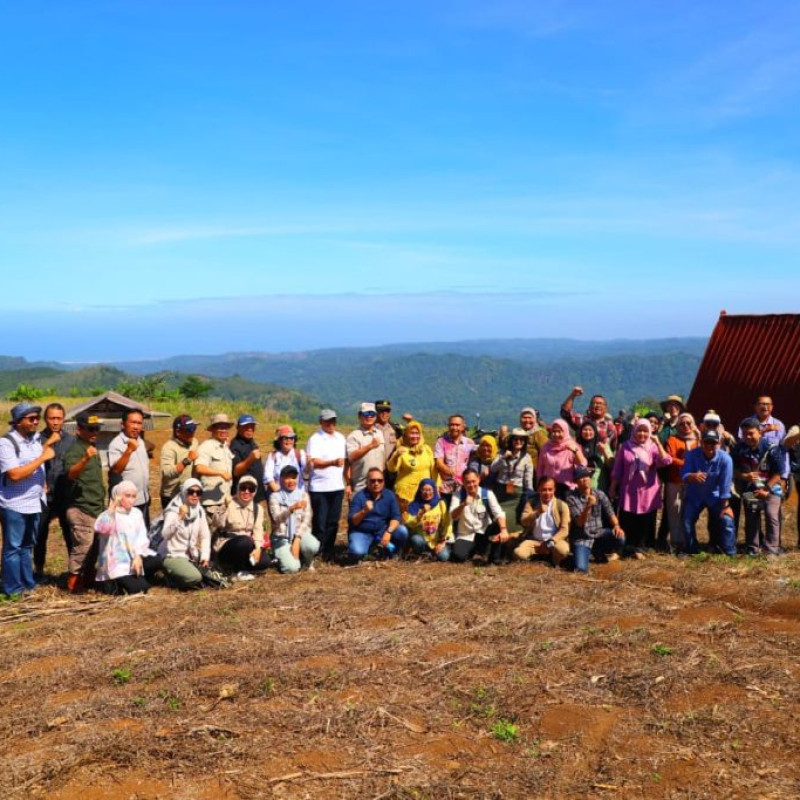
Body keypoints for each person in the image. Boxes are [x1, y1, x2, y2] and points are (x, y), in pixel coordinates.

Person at [0, 403, 54, 596]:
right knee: (13, 548)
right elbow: (14, 474)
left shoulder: (34, 440)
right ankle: (12, 590)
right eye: (31, 419)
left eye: (37, 418)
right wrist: (43, 458)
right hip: (14, 504)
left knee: (26, 546)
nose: (36, 422)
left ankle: (27, 584)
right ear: (18, 422)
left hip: (33, 503)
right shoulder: (6, 443)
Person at [609, 419, 672, 555]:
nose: (642, 434)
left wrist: (658, 443)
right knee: (628, 518)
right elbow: (618, 469)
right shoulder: (625, 446)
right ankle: (627, 545)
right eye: (639, 430)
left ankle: (645, 546)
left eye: (645, 431)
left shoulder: (653, 447)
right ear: (634, 431)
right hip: (629, 489)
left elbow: (666, 461)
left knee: (646, 519)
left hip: (648, 491)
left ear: (650, 432)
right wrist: (613, 487)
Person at [63, 414, 106, 593]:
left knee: (94, 547)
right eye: (90, 429)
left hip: (95, 507)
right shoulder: (76, 450)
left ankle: (88, 576)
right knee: (82, 547)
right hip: (82, 508)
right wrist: (85, 459)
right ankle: (73, 581)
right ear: (79, 430)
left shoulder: (91, 447)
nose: (95, 432)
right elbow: (71, 475)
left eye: (97, 428)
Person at [732, 418, 786, 556]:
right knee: (751, 517)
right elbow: (733, 470)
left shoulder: (771, 448)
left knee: (771, 515)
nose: (748, 437)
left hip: (771, 488)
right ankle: (752, 548)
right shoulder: (739, 449)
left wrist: (766, 490)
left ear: (759, 432)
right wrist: (744, 476)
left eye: (751, 433)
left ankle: (772, 549)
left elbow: (778, 474)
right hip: (750, 488)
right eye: (744, 434)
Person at [34, 402, 75, 578]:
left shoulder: (71, 440)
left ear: (64, 419)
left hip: (65, 496)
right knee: (40, 535)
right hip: (42, 497)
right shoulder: (36, 439)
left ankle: (73, 572)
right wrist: (48, 443)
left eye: (58, 418)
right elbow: (30, 462)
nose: (55, 422)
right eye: (51, 418)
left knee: (70, 534)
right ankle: (39, 570)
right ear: (45, 419)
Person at [93, 480, 155, 595]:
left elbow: (141, 537)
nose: (131, 500)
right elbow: (101, 528)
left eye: (133, 496)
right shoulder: (110, 514)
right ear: (119, 496)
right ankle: (111, 583)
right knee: (136, 589)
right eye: (127, 496)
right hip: (115, 562)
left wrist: (138, 555)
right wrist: (112, 507)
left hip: (131, 560)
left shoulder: (136, 513)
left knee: (143, 588)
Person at [682, 430, 736, 556]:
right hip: (694, 495)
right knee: (687, 521)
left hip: (715, 496)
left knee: (727, 519)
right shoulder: (691, 455)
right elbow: (684, 475)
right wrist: (692, 476)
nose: (710, 446)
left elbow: (726, 484)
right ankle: (691, 549)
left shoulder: (726, 459)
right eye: (707, 442)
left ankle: (729, 551)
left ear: (718, 443)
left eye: (713, 442)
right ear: (701, 442)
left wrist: (726, 506)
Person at [566, 466, 625, 573]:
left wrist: (617, 526)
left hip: (598, 534)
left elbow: (610, 512)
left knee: (620, 537)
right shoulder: (571, 498)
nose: (585, 479)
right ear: (576, 482)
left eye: (586, 476)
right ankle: (585, 552)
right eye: (581, 477)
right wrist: (588, 506)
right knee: (580, 569)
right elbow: (579, 523)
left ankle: (598, 550)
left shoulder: (599, 494)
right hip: (582, 539)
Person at [306, 409, 347, 561]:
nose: (331, 424)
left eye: (333, 420)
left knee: (333, 521)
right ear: (321, 422)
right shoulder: (315, 439)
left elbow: (346, 462)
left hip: (337, 486)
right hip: (319, 488)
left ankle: (328, 550)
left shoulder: (341, 438)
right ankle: (317, 550)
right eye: (328, 421)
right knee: (320, 522)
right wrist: (332, 462)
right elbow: (313, 462)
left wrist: (347, 482)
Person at [347, 467, 408, 562]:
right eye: (373, 481)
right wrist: (364, 511)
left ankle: (394, 553)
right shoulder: (359, 497)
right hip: (363, 532)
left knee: (402, 531)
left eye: (380, 480)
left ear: (383, 482)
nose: (376, 483)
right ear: (367, 482)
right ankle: (371, 551)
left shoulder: (389, 495)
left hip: (382, 531)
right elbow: (352, 521)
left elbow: (396, 517)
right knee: (356, 552)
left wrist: (389, 532)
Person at [160, 478, 211, 589]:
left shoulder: (199, 511)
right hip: (172, 555)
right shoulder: (174, 510)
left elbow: (205, 536)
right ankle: (169, 579)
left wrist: (205, 557)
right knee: (196, 577)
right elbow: (165, 535)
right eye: (190, 491)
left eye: (198, 492)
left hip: (190, 555)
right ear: (184, 492)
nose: (195, 495)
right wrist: (179, 518)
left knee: (212, 571)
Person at [449, 468, 507, 564]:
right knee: (458, 556)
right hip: (466, 535)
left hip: (483, 532)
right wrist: (463, 504)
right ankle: (478, 552)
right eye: (468, 482)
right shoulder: (458, 495)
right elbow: (453, 516)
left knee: (498, 526)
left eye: (473, 481)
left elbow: (498, 513)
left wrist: (504, 529)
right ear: (463, 482)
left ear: (479, 479)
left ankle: (494, 557)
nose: (471, 485)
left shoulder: (487, 493)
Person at [269, 465, 320, 573]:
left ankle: (307, 560)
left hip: (299, 533)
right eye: (287, 478)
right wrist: (291, 509)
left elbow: (307, 518)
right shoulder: (274, 496)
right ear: (281, 479)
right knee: (292, 568)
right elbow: (277, 519)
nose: (291, 481)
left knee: (313, 545)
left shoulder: (303, 495)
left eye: (293, 477)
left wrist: (297, 538)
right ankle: (282, 557)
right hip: (282, 538)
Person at [216, 475, 270, 576]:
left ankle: (240, 567)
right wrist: (224, 507)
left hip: (246, 546)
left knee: (265, 561)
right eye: (243, 488)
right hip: (227, 545)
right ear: (238, 488)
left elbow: (258, 531)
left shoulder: (258, 508)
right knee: (244, 541)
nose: (247, 491)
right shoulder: (229, 502)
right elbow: (219, 525)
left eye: (251, 489)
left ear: (255, 491)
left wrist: (258, 549)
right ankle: (237, 570)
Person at [513, 476, 570, 567]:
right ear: (538, 489)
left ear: (554, 489)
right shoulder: (531, 503)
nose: (547, 493)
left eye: (550, 489)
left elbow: (565, 529)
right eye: (544, 490)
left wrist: (550, 542)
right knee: (519, 553)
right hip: (534, 540)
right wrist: (536, 513)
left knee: (563, 550)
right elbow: (523, 521)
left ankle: (554, 561)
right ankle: (536, 558)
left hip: (554, 541)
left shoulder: (562, 505)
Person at [108, 409, 151, 527]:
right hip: (125, 504)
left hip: (143, 499)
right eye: (133, 423)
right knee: (126, 538)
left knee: (142, 537)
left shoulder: (140, 442)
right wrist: (129, 450)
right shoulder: (116, 444)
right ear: (123, 424)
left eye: (139, 423)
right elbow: (116, 470)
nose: (136, 427)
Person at [664, 412, 700, 553]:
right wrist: (687, 463)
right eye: (682, 423)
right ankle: (676, 542)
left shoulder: (698, 440)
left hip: (692, 482)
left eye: (688, 423)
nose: (685, 426)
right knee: (674, 510)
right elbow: (670, 458)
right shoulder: (673, 440)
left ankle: (689, 541)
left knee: (689, 511)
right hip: (675, 480)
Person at [194, 413, 234, 536]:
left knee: (222, 537)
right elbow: (199, 468)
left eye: (226, 427)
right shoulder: (206, 447)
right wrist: (220, 473)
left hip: (224, 500)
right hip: (211, 503)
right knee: (211, 537)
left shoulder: (225, 447)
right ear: (212, 429)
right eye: (220, 427)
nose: (224, 430)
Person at [385, 420, 436, 508]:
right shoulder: (402, 450)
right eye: (411, 433)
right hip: (404, 496)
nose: (415, 436)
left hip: (424, 493)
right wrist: (396, 456)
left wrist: (436, 487)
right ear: (406, 435)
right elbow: (391, 468)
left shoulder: (426, 449)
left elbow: (434, 470)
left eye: (417, 433)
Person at [489, 428, 533, 526]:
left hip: (516, 492)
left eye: (521, 439)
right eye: (516, 439)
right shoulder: (501, 453)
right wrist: (503, 458)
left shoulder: (527, 458)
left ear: (525, 442)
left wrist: (529, 496)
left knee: (509, 516)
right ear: (511, 440)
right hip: (500, 489)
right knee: (496, 514)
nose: (518, 441)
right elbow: (493, 468)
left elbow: (528, 479)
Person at [536, 419, 587, 498]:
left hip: (567, 489)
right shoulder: (546, 447)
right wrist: (539, 485)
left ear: (565, 431)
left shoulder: (572, 446)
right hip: (549, 490)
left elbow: (582, 464)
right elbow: (540, 469)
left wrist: (575, 451)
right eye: (554, 431)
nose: (556, 434)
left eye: (559, 431)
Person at [405, 478, 452, 561]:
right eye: (424, 490)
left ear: (434, 490)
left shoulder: (440, 503)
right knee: (416, 540)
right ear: (420, 491)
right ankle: (422, 553)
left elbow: (447, 523)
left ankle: (432, 553)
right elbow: (409, 524)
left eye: (430, 490)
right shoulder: (414, 505)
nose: (427, 493)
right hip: (422, 539)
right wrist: (419, 517)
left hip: (436, 540)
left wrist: (442, 542)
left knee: (444, 557)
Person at [159, 414, 199, 510]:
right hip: (171, 495)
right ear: (178, 432)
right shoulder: (169, 447)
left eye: (194, 429)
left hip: (189, 492)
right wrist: (187, 460)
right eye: (189, 430)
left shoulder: (194, 442)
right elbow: (167, 472)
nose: (192, 433)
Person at [434, 415, 475, 504]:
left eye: (457, 425)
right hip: (445, 488)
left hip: (463, 488)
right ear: (448, 426)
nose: (454, 427)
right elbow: (438, 462)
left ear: (463, 427)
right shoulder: (441, 442)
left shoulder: (469, 443)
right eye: (452, 425)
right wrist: (447, 469)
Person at [346, 402, 386, 493]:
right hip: (361, 485)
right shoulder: (354, 436)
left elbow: (382, 457)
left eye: (372, 414)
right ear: (359, 416)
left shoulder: (379, 433)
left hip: (378, 484)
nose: (369, 416)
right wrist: (370, 446)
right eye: (366, 414)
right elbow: (351, 457)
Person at [230, 414, 266, 503]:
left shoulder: (251, 442)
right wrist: (250, 459)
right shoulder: (235, 446)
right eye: (246, 426)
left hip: (257, 494)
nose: (250, 429)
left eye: (252, 426)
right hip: (244, 495)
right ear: (238, 428)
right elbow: (236, 471)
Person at [264, 425, 308, 496]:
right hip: (278, 496)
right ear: (279, 440)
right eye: (285, 438)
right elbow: (268, 477)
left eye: (291, 438)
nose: (289, 440)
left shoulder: (300, 454)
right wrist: (279, 493)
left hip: (297, 495)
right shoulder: (273, 456)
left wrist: (309, 464)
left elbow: (306, 472)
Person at [518, 407, 549, 473]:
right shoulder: (518, 433)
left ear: (535, 419)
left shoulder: (539, 434)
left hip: (534, 472)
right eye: (524, 418)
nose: (527, 420)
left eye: (530, 418)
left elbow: (546, 453)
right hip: (519, 472)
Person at [374, 399, 400, 472]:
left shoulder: (396, 429)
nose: (384, 414)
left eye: (387, 411)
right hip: (376, 470)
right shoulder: (370, 429)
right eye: (381, 411)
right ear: (376, 412)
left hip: (392, 470)